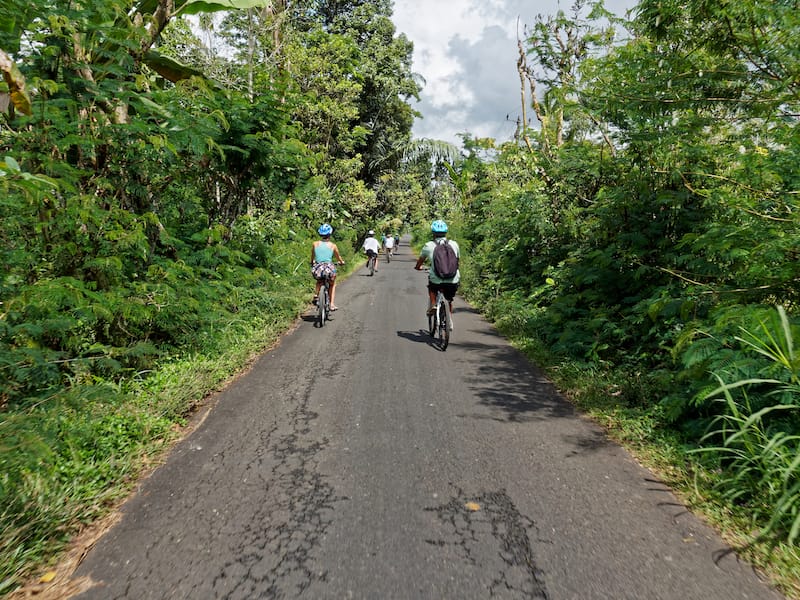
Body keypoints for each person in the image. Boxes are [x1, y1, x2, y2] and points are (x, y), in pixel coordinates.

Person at [414, 219, 460, 329]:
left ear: (433, 233)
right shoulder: (454, 244)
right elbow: (457, 261)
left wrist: (418, 267)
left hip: (437, 279)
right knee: (449, 299)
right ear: (446, 233)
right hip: (453, 278)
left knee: (432, 287)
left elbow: (421, 260)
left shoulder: (428, 245)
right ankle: (450, 320)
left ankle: (434, 304)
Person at [311, 223, 344, 310]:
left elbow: (312, 256)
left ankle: (316, 294)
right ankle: (331, 304)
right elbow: (338, 257)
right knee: (332, 284)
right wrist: (341, 262)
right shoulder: (333, 246)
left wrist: (312, 262)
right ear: (330, 234)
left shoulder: (315, 244)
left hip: (318, 268)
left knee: (319, 280)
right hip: (329, 268)